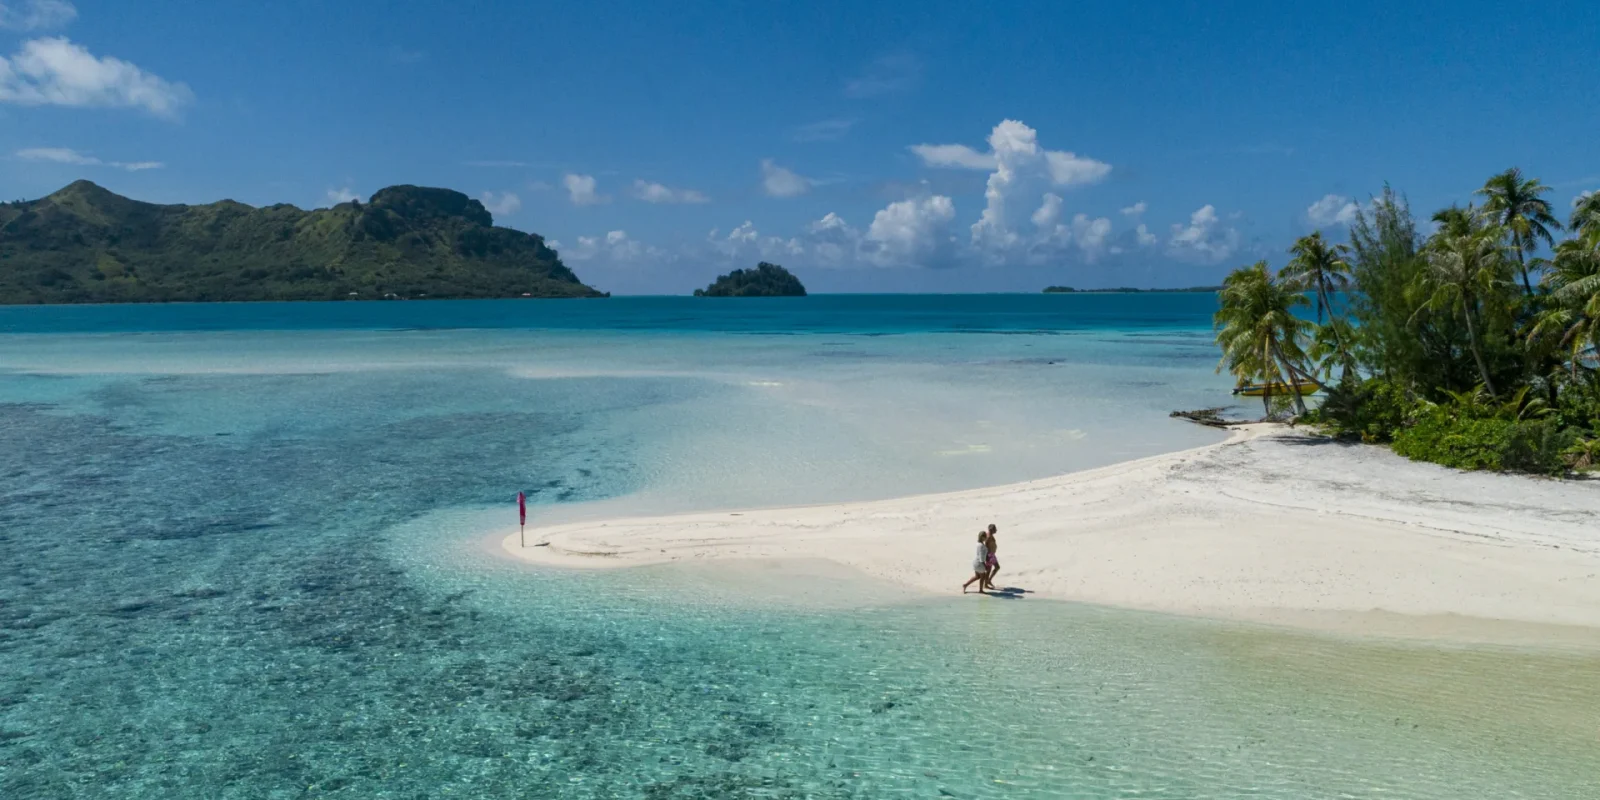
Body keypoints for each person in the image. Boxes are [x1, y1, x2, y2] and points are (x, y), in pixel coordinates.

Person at [983, 524, 1000, 591]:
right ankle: (986, 584)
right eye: (995, 529)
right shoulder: (988, 536)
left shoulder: (989, 535)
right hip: (989, 555)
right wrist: (987, 556)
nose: (996, 530)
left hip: (992, 555)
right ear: (991, 530)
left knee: (996, 568)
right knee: (989, 570)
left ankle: (988, 581)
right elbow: (986, 546)